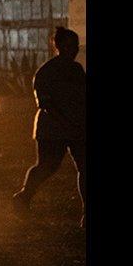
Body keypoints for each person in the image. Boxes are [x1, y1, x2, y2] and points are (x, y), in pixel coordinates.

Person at [12, 26, 87, 226]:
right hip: (52, 130)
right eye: (70, 45)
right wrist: (66, 124)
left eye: (76, 45)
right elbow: (45, 104)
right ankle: (24, 196)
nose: (75, 49)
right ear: (59, 46)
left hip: (76, 128)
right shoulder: (46, 72)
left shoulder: (77, 70)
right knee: (47, 167)